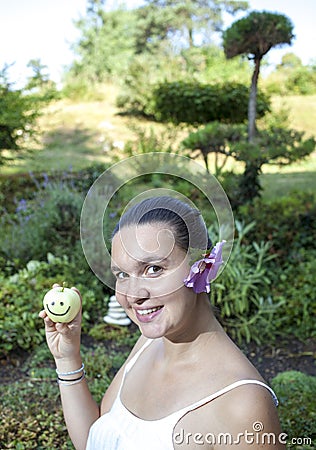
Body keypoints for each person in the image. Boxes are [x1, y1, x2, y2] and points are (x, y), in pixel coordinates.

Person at [39, 196, 284, 449]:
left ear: (204, 267)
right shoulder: (147, 343)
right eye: (122, 274)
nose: (133, 295)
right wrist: (67, 357)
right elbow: (94, 441)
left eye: (153, 269)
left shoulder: (242, 404)